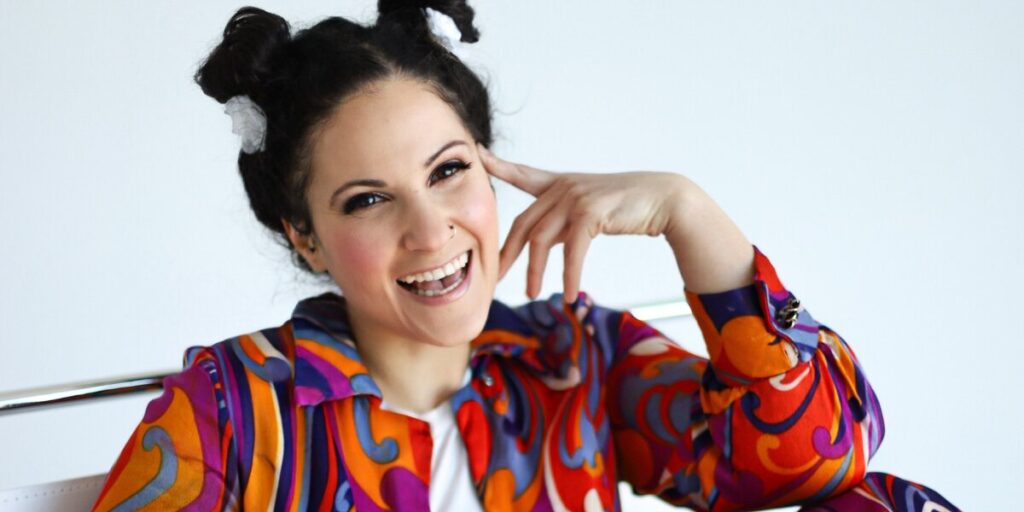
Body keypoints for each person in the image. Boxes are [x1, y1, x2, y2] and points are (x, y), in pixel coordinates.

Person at [90, 1, 958, 511]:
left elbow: (818, 457)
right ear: (304, 234)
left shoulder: (574, 362)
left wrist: (689, 212)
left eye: (449, 172)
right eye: (367, 199)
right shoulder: (234, 410)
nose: (431, 232)